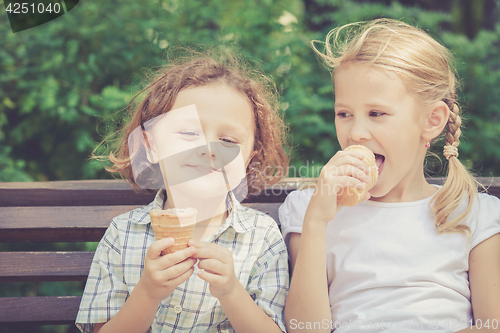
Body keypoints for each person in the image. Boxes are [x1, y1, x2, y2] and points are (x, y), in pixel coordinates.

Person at [279, 19, 500, 332]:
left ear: (432, 121)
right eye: (344, 114)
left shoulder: (473, 213)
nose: (356, 133)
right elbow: (306, 328)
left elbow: (492, 325)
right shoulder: (309, 209)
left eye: (376, 114)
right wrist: (316, 221)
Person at [76, 50, 289, 333]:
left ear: (249, 157)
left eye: (227, 140)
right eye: (189, 133)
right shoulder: (123, 233)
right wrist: (148, 293)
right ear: (151, 143)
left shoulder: (262, 237)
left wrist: (231, 292)